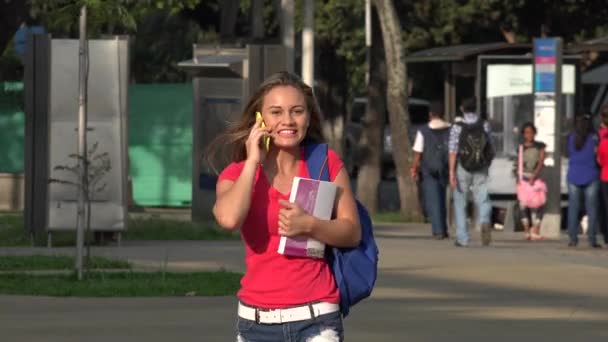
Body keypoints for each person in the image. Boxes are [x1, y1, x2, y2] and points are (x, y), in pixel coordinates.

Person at [211, 72, 360, 342]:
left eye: (297, 111)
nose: (288, 121)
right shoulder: (236, 174)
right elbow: (229, 219)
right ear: (260, 119)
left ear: (308, 117)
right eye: (276, 112)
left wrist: (310, 225)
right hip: (255, 323)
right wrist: (253, 160)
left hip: (317, 318)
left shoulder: (325, 162)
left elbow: (352, 231)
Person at [448, 98, 494, 247]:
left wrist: (451, 171)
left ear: (462, 108)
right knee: (482, 195)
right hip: (480, 165)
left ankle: (463, 237)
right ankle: (485, 220)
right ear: (476, 108)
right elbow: (490, 146)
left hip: (463, 166)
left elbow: (453, 150)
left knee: (460, 200)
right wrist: (487, 163)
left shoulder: (457, 127)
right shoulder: (484, 124)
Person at [410, 101, 451, 239]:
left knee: (433, 199)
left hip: (428, 169)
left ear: (430, 114)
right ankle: (444, 228)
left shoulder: (423, 131)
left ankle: (438, 230)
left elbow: (418, 152)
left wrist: (414, 168)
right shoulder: (450, 129)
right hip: (445, 168)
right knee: (443, 198)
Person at [566, 114, 601, 248]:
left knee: (573, 208)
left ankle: (573, 239)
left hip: (573, 175)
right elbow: (598, 154)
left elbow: (568, 153)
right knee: (591, 208)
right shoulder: (594, 137)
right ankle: (592, 239)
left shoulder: (571, 137)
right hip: (591, 174)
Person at [513, 122, 546, 240]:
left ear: (535, 133)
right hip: (523, 178)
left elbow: (541, 162)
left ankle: (536, 229)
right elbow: (518, 163)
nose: (529, 135)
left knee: (540, 203)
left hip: (535, 178)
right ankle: (527, 230)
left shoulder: (540, 146)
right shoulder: (520, 147)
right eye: (526, 133)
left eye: (531, 132)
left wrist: (534, 176)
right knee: (523, 204)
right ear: (523, 134)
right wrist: (517, 177)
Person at [596, 106, 608, 244]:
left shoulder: (601, 136)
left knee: (605, 206)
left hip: (605, 175)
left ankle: (606, 234)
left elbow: (600, 160)